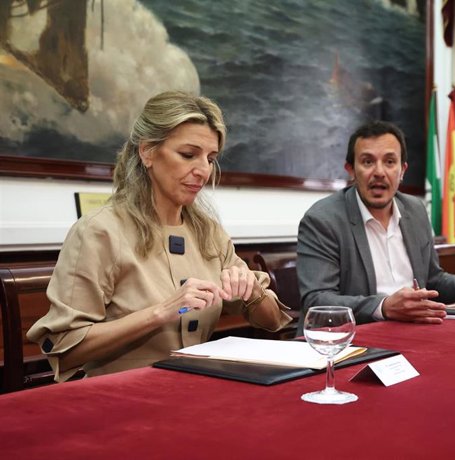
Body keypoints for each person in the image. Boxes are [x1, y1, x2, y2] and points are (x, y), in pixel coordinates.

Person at [27, 91, 291, 381]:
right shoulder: (98, 231)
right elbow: (64, 348)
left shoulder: (210, 233)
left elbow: (273, 322)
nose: (203, 170)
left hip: (200, 389)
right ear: (148, 152)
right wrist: (160, 313)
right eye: (188, 155)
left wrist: (252, 290)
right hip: (122, 397)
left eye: (211, 158)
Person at [297, 121, 455, 327]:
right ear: (351, 170)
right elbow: (317, 300)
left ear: (402, 170)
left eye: (389, 162)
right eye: (368, 162)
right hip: (349, 340)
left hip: (410, 332)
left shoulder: (415, 211)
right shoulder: (323, 220)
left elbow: (433, 280)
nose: (379, 172)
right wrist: (384, 306)